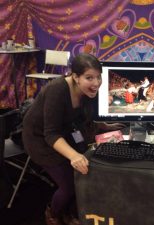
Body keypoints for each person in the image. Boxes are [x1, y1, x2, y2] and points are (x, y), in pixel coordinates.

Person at [22, 53, 124, 225]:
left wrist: (105, 126)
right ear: (75, 77)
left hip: (63, 133)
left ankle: (69, 212)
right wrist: (74, 156)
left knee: (80, 176)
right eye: (89, 78)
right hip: (40, 139)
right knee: (69, 184)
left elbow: (87, 117)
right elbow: (51, 134)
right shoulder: (57, 89)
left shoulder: (89, 90)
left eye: (98, 77)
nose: (96, 83)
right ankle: (53, 214)